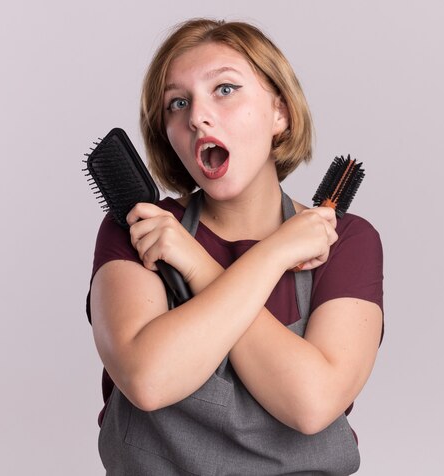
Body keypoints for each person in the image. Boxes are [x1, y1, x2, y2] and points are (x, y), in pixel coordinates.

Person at [87, 18, 383, 476]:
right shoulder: (139, 229)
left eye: (224, 89)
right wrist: (275, 253)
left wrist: (197, 264)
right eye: (177, 103)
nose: (197, 116)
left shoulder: (347, 242)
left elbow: (311, 403)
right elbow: (148, 379)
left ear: (279, 113)